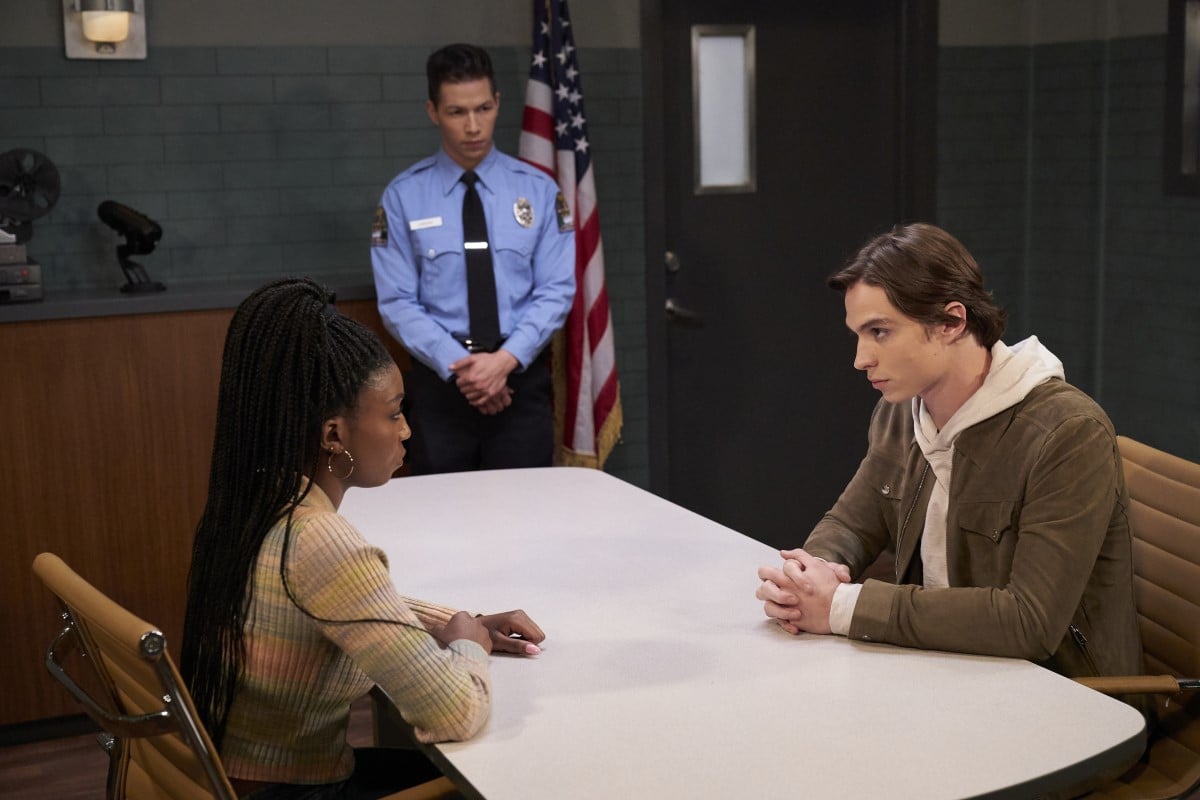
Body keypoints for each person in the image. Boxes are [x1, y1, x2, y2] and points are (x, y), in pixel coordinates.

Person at [181, 277, 545, 800]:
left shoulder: (258, 501)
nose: (406, 431)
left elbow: (349, 604)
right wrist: (469, 646)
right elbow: (456, 711)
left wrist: (457, 622)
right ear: (334, 435)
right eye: (395, 412)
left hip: (239, 779)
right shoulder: (322, 541)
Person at [755, 223, 1145, 692]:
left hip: (1062, 698)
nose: (861, 358)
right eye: (858, 335)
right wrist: (808, 579)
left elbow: (1029, 621)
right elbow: (852, 523)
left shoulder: (1069, 434)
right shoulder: (903, 412)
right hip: (943, 670)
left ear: (952, 322)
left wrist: (842, 606)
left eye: (880, 331)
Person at [370, 43, 576, 474]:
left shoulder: (538, 192)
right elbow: (397, 302)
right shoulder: (403, 196)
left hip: (519, 382)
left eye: (483, 108)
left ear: (498, 103)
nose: (473, 126)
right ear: (433, 111)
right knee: (443, 525)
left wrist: (502, 362)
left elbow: (556, 289)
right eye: (457, 112)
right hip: (440, 390)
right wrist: (464, 370)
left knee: (529, 518)